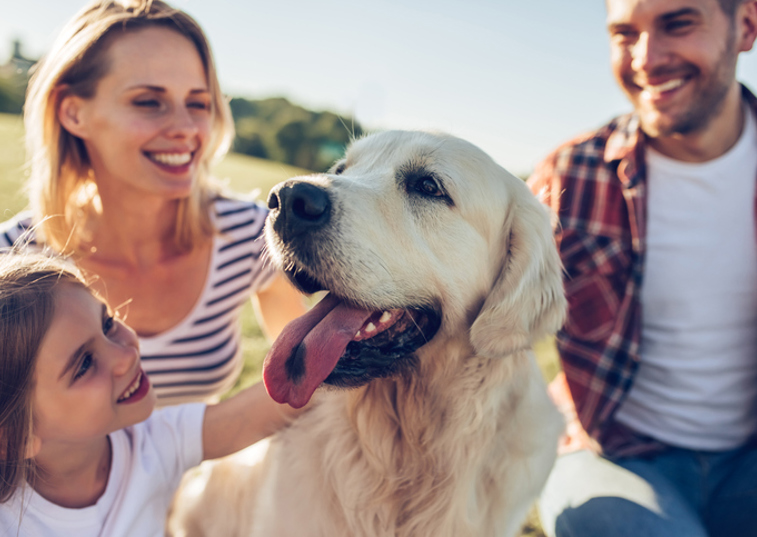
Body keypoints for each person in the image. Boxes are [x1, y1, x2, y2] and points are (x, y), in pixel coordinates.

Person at [0, 0, 307, 405]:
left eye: (198, 103)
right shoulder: (12, 262)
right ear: (73, 112)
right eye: (148, 101)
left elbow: (308, 381)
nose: (185, 129)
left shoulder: (251, 234)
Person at [527, 0, 757, 535]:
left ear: (745, 25)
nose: (646, 58)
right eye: (625, 33)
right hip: (611, 455)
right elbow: (467, 294)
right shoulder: (572, 175)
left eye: (678, 23)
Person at [0, 252, 305, 536]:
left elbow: (257, 412)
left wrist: (331, 342)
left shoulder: (152, 444)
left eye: (107, 324)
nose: (126, 356)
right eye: (84, 364)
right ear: (14, 437)